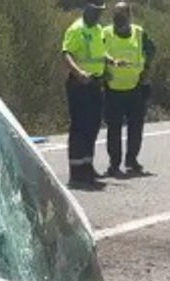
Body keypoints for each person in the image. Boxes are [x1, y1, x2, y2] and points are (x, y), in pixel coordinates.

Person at [103, 2, 156, 177]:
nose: (119, 18)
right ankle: (114, 164)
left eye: (122, 14)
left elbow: (151, 50)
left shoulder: (139, 33)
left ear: (129, 15)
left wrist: (146, 71)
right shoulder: (106, 33)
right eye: (116, 15)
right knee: (114, 129)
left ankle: (132, 160)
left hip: (135, 88)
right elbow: (99, 54)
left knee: (135, 128)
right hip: (112, 89)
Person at [63, 2, 108, 189]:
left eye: (100, 11)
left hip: (95, 83)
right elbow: (67, 54)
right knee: (80, 127)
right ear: (87, 10)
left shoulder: (98, 29)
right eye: (96, 11)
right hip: (79, 84)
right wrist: (78, 73)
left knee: (93, 125)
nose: (99, 14)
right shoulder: (76, 29)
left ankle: (87, 167)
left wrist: (112, 61)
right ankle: (76, 172)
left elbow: (100, 53)